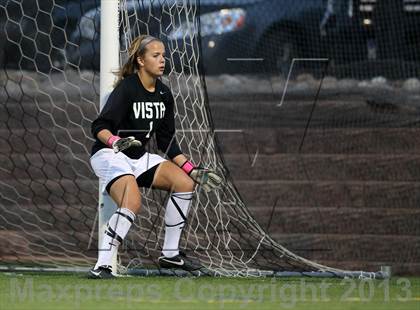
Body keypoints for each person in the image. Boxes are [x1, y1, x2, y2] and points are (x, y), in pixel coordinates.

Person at [88, 35, 222, 279]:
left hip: (138, 157)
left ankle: (170, 255)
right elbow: (98, 127)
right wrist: (117, 141)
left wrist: (193, 169)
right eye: (155, 55)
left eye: (163, 55)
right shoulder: (127, 88)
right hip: (109, 154)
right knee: (132, 200)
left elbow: (168, 143)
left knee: (184, 182)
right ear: (140, 60)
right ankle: (103, 265)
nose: (162, 60)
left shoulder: (164, 94)